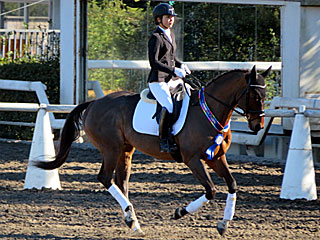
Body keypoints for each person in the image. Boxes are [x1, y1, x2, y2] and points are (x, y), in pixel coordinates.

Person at [148, 3, 191, 153]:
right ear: (159, 19)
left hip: (172, 79)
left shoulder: (170, 34)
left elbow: (171, 57)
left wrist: (181, 64)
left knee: (189, 95)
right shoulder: (156, 37)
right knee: (169, 106)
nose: (171, 20)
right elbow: (154, 62)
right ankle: (164, 140)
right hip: (158, 80)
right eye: (168, 17)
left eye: (172, 17)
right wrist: (174, 70)